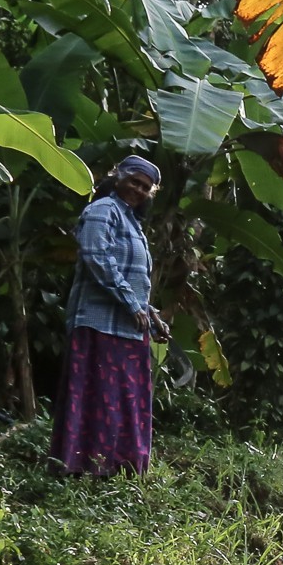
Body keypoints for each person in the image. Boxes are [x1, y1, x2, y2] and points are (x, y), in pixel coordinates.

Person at [49, 154, 168, 476]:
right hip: (98, 323)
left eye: (146, 187)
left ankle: (119, 469)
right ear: (118, 177)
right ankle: (81, 467)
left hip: (128, 328)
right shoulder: (103, 210)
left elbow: (132, 278)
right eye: (134, 182)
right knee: (98, 396)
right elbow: (96, 257)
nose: (139, 190)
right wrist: (131, 304)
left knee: (126, 400)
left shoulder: (133, 222)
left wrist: (150, 313)